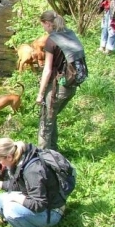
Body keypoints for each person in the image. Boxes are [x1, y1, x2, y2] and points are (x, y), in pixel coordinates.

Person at [0, 137, 66, 227]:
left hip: (51, 212)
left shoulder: (32, 171)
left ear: (9, 157)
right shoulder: (21, 159)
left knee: (10, 209)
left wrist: (16, 199)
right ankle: (21, 223)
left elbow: (39, 204)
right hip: (37, 201)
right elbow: (19, 185)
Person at [36, 10, 85, 150]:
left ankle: (44, 158)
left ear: (48, 24)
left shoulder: (51, 41)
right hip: (72, 85)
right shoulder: (70, 34)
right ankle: (54, 151)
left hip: (58, 88)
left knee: (45, 123)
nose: (44, 29)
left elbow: (47, 70)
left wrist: (40, 94)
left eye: (43, 26)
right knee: (52, 117)